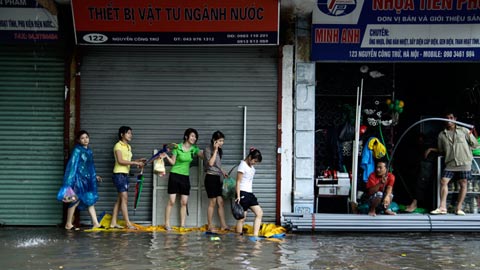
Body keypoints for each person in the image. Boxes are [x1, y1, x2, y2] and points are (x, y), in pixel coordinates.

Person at [428, 113, 479, 216]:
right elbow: (442, 150)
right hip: (450, 162)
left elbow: (475, 144)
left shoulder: (464, 130)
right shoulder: (442, 134)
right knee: (443, 181)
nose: (449, 120)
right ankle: (442, 207)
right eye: (447, 118)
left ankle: (459, 208)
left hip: (464, 161)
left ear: (455, 119)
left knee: (463, 183)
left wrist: (467, 151)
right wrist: (431, 149)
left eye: (451, 118)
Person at [56, 130, 102, 230]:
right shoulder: (77, 150)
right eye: (82, 138)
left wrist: (94, 176)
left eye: (86, 137)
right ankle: (68, 224)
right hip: (77, 179)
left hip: (87, 180)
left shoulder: (89, 151)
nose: (85, 140)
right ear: (78, 140)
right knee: (75, 200)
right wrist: (69, 181)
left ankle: (96, 223)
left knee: (89, 201)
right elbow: (72, 166)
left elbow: (90, 167)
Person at [162, 128, 204, 230]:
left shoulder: (194, 149)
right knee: (171, 201)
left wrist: (212, 150)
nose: (194, 138)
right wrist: (166, 156)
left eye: (195, 136)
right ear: (186, 136)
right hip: (175, 175)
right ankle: (167, 223)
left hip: (185, 177)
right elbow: (172, 162)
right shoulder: (177, 147)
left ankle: (182, 225)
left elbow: (203, 156)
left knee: (184, 202)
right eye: (192, 136)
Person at [110, 126, 145, 229]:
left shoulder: (128, 147)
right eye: (128, 133)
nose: (130, 135)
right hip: (119, 174)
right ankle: (128, 223)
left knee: (120, 200)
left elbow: (127, 161)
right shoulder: (118, 146)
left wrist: (138, 161)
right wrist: (134, 162)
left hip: (125, 175)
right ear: (122, 134)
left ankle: (113, 223)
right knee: (124, 199)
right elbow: (120, 161)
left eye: (131, 133)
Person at [203, 131, 229, 231]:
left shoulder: (219, 151)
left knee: (221, 202)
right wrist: (215, 150)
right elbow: (210, 163)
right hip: (210, 178)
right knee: (212, 203)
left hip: (217, 177)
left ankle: (223, 225)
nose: (222, 143)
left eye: (223, 141)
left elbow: (217, 164)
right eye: (220, 141)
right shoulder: (208, 149)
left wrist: (222, 171)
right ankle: (209, 226)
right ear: (214, 141)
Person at [235, 148, 263, 239]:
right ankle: (239, 239)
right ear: (250, 157)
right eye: (254, 160)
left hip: (250, 193)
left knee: (259, 213)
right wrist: (238, 196)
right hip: (242, 192)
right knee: (242, 218)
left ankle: (255, 236)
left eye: (256, 162)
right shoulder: (242, 165)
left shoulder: (252, 168)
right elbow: (238, 182)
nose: (255, 163)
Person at [404, 133, 436, 213]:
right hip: (423, 165)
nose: (420, 141)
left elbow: (444, 149)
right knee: (417, 183)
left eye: (421, 139)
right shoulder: (418, 147)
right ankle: (415, 203)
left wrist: (431, 149)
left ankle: (415, 204)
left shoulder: (433, 143)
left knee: (421, 184)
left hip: (429, 165)